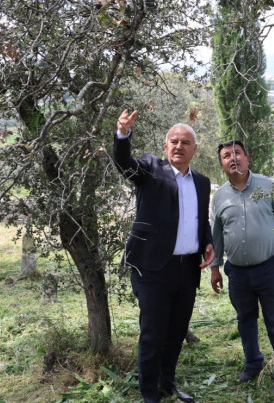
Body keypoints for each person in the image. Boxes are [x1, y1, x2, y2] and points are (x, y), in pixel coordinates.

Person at [113, 109, 215, 403]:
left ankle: (167, 383)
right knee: (153, 335)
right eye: (173, 141)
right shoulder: (149, 170)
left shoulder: (202, 182)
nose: (179, 146)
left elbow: (200, 220)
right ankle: (149, 395)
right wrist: (123, 134)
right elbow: (123, 163)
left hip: (187, 270)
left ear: (194, 149)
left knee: (175, 333)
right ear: (165, 146)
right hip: (152, 269)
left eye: (185, 142)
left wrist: (207, 241)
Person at [209, 139, 274, 393]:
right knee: (245, 319)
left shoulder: (269, 185)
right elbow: (216, 235)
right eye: (227, 156)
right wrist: (215, 268)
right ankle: (253, 363)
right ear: (222, 165)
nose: (233, 158)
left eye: (237, 153)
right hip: (237, 272)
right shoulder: (219, 197)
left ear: (248, 158)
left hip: (270, 268)